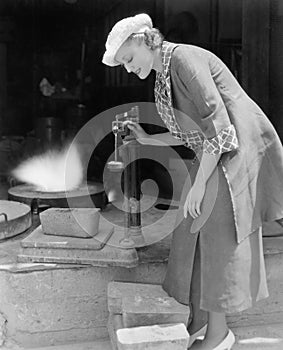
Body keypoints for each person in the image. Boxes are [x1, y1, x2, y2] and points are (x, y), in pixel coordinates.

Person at [102, 13, 283, 350]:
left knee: (217, 229)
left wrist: (200, 185)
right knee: (189, 226)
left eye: (128, 59)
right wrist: (148, 139)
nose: (128, 68)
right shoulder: (161, 74)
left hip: (239, 144)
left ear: (143, 40)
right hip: (216, 147)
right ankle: (198, 321)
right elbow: (191, 134)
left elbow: (220, 128)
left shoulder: (183, 58)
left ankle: (219, 334)